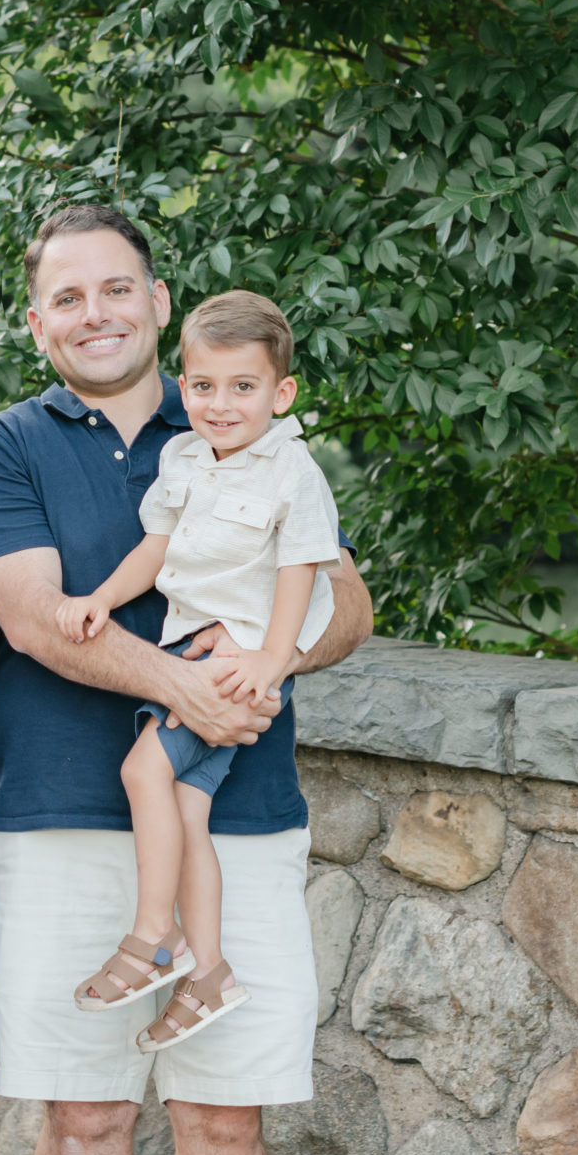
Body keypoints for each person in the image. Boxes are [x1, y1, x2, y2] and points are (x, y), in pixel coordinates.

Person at [0, 205, 373, 1155]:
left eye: (115, 289)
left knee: (224, 1118)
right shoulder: (4, 451)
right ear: (36, 321)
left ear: (155, 296)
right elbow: (36, 619)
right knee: (79, 1120)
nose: (94, 313)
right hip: (63, 813)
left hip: (243, 809)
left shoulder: (237, 429)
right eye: (66, 297)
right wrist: (186, 691)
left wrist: (263, 662)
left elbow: (343, 597)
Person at [56, 291, 342, 1047]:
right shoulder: (182, 457)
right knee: (185, 813)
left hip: (235, 663)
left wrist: (268, 665)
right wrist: (101, 598)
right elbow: (156, 551)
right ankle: (209, 972)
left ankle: (156, 936)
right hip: (192, 650)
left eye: (242, 387)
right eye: (204, 386)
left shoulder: (292, 471)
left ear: (279, 393)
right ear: (183, 384)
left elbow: (300, 573)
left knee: (141, 774)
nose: (220, 404)